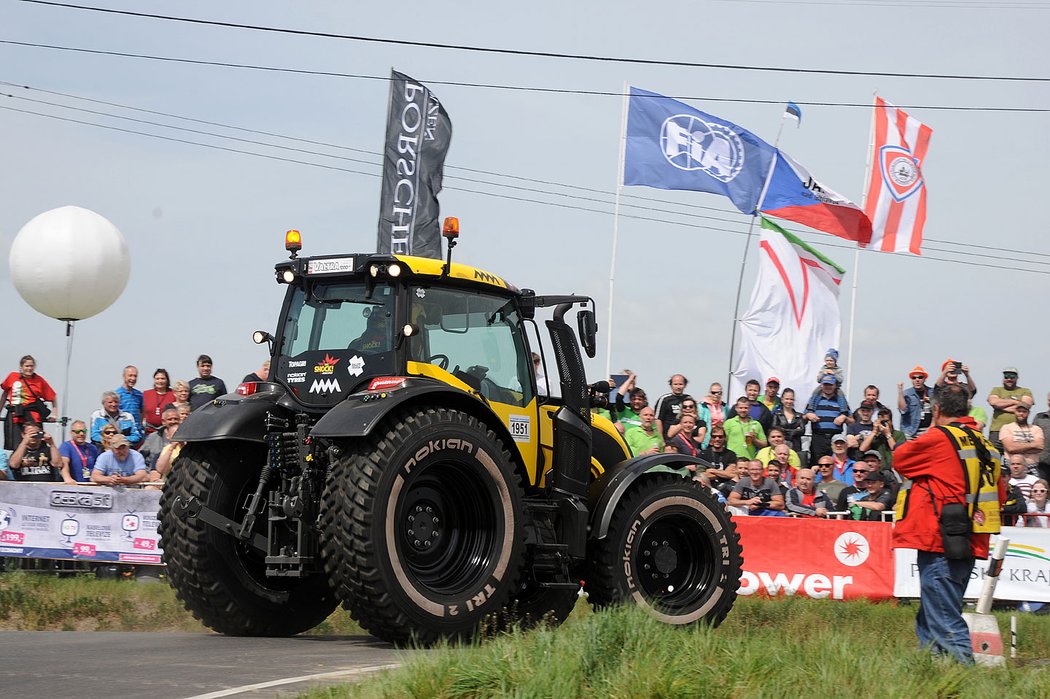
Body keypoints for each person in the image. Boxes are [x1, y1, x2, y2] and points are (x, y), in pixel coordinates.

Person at [892, 383, 1006, 664]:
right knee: (933, 613)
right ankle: (929, 671)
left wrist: (933, 426)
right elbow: (1000, 495)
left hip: (939, 539)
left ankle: (968, 680)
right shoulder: (986, 445)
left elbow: (900, 459)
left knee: (944, 617)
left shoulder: (940, 438)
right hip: (969, 541)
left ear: (938, 409)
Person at [1, 355, 57, 450]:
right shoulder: (12, 377)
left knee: (36, 444)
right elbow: (4, 395)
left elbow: (53, 396)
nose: (29, 368)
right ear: (21, 367)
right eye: (27, 366)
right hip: (15, 416)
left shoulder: (39, 380)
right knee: (17, 446)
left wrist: (54, 415)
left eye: (31, 366)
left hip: (33, 417)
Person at [804, 375, 851, 461]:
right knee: (817, 464)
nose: (828, 387)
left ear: (835, 385)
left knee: (836, 463)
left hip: (836, 438)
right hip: (818, 437)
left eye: (830, 385)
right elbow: (803, 417)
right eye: (825, 385)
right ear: (821, 385)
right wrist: (808, 415)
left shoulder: (841, 401)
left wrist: (844, 417)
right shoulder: (814, 401)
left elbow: (852, 421)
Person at [987, 367, 1033, 449]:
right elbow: (993, 402)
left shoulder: (1025, 391)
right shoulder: (996, 390)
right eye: (1006, 376)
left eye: (1012, 377)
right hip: (997, 430)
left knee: (1017, 457)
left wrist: (1000, 406)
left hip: (1018, 429)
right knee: (994, 457)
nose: (1009, 379)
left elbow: (1026, 406)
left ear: (1017, 378)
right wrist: (1016, 402)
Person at [999, 402, 1043, 475]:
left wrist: (1017, 446)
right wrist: (1032, 445)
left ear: (1028, 413)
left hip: (1032, 467)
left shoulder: (1036, 429)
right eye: (1019, 411)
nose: (1021, 414)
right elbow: (1010, 448)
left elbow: (1040, 446)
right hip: (1012, 466)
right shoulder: (1006, 428)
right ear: (1015, 412)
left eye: (1024, 411)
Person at [140, 406, 180, 472]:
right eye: (170, 419)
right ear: (163, 421)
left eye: (176, 419)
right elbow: (141, 456)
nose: (173, 421)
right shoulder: (153, 437)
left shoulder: (186, 437)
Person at [58, 419, 99, 484]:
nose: (81, 434)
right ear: (71, 433)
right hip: (74, 485)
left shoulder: (92, 448)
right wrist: (67, 478)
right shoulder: (66, 446)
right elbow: (64, 463)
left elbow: (99, 466)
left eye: (84, 431)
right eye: (78, 431)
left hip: (91, 484)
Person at [899, 366, 934, 439]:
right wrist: (900, 392)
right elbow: (902, 410)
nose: (917, 380)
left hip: (929, 431)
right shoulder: (906, 393)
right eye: (914, 378)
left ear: (924, 379)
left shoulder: (932, 392)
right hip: (911, 432)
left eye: (920, 377)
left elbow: (937, 412)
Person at [771, 388, 805, 456]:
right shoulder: (777, 414)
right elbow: (775, 430)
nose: (789, 401)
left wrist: (783, 430)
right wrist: (794, 430)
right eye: (787, 399)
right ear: (782, 400)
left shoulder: (799, 415)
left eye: (791, 399)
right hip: (780, 448)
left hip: (796, 447)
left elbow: (802, 430)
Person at [142, 368, 177, 434]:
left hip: (168, 431)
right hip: (148, 431)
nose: (160, 381)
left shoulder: (173, 394)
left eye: (162, 378)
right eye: (157, 379)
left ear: (167, 380)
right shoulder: (146, 394)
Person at [653, 374, 689, 438]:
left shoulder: (688, 399)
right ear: (671, 385)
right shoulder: (664, 399)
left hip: (684, 437)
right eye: (675, 384)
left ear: (685, 385)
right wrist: (661, 439)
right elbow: (658, 420)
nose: (678, 387)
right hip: (668, 438)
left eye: (680, 384)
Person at [115, 365, 144, 434]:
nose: (133, 378)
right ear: (124, 376)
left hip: (137, 432)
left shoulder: (139, 394)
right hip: (123, 431)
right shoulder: (117, 394)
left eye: (135, 376)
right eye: (130, 376)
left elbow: (142, 412)